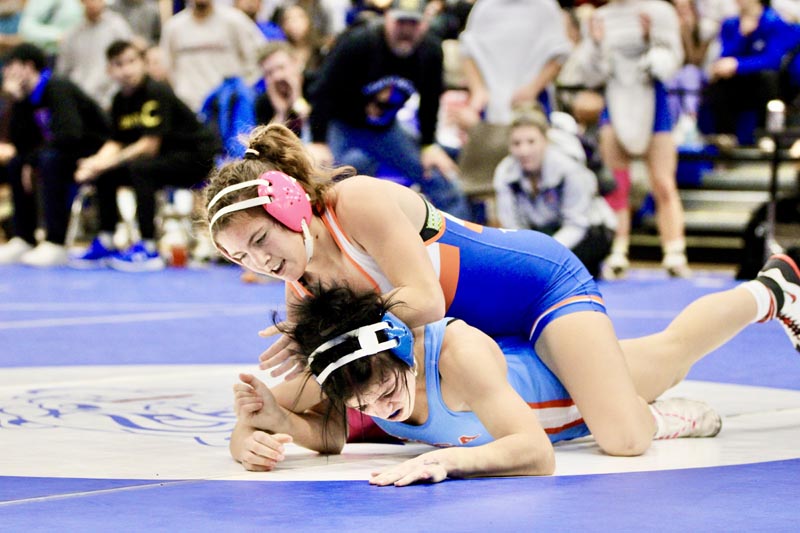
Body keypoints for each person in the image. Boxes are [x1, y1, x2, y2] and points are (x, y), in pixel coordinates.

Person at [204, 122, 800, 458]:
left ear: (287, 205)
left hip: (537, 287)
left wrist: (325, 347)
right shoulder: (301, 287)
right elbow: (323, 394)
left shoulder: (356, 205)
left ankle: (771, 293)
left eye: (260, 240)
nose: (261, 261)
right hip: (476, 334)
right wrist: (253, 427)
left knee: (625, 433)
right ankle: (771, 291)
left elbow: (425, 300)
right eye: (240, 257)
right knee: (649, 364)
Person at [229, 259, 800, 483]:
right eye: (365, 408)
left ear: (399, 347)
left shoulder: (455, 354)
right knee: (660, 368)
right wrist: (260, 429)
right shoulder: (347, 375)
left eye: (386, 389)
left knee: (671, 355)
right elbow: (318, 431)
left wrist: (446, 460)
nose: (382, 412)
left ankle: (770, 289)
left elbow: (534, 453)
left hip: (566, 385)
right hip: (552, 416)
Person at [306, 0, 470, 219]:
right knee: (313, 181)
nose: (406, 30)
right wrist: (319, 141)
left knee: (440, 178)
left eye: (414, 23)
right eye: (401, 22)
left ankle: (461, 243)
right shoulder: (359, 42)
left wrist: (428, 145)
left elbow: (430, 101)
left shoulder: (430, 51)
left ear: (425, 24)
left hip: (385, 130)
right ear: (387, 19)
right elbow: (321, 90)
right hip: (338, 125)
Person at [71, 39, 218, 271]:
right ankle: (107, 239)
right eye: (119, 64)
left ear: (143, 63)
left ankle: (148, 247)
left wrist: (103, 163)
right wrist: (93, 164)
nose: (127, 69)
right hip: (163, 160)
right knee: (107, 173)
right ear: (110, 70)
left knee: (141, 168)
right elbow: (116, 141)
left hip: (196, 157)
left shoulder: (156, 92)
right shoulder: (119, 100)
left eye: (132, 61)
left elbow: (149, 146)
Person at [574, 0, 690, 279]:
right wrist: (598, 45)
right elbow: (589, 73)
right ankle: (617, 251)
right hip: (615, 102)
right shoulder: (599, 18)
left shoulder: (659, 11)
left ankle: (674, 252)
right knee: (616, 184)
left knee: (663, 182)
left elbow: (673, 59)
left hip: (653, 102)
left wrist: (651, 43)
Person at [0, 43, 109, 267]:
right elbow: (20, 143)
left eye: (11, 66)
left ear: (28, 67)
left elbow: (70, 134)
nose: (6, 72)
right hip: (60, 153)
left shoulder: (57, 86)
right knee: (16, 163)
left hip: (93, 151)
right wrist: (16, 99)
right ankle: (24, 237)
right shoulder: (27, 97)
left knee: (48, 161)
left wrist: (32, 161)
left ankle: (55, 241)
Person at [492, 106, 615, 277]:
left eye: (531, 141)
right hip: (540, 236)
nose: (524, 151)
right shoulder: (505, 172)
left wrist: (544, 255)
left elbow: (576, 224)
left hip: (588, 233)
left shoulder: (569, 169)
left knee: (564, 271)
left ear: (545, 141)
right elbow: (511, 226)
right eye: (516, 144)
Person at [56, 0, 134, 110]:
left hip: (111, 101)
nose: (92, 3)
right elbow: (63, 73)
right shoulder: (72, 34)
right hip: (79, 102)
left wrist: (113, 99)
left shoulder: (118, 27)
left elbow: (129, 65)